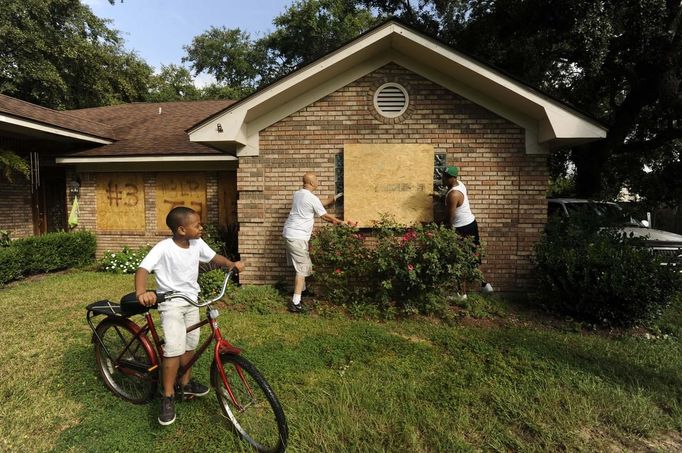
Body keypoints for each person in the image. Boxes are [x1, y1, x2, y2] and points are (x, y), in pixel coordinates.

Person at [135, 206, 244, 426]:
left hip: (192, 300)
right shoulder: (163, 248)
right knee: (174, 348)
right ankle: (167, 395)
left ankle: (185, 383)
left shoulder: (197, 243)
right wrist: (141, 292)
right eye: (197, 225)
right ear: (182, 229)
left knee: (190, 343)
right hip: (171, 302)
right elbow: (143, 269)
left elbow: (214, 257)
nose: (201, 227)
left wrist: (230, 264)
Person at [283, 172, 352, 313]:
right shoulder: (311, 198)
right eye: (317, 181)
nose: (318, 183)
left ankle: (303, 291)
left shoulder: (298, 194)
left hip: (289, 234)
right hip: (297, 236)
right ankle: (295, 303)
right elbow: (325, 216)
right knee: (302, 269)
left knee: (300, 267)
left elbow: (319, 204)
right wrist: (342, 223)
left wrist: (336, 197)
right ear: (313, 183)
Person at [442, 165, 494, 296]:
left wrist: (442, 228)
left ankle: (462, 294)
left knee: (460, 260)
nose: (443, 179)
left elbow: (450, 217)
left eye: (445, 177)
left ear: (452, 178)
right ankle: (484, 285)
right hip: (471, 224)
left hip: (462, 228)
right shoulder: (460, 185)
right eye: (443, 176)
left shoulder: (453, 194)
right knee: (474, 256)